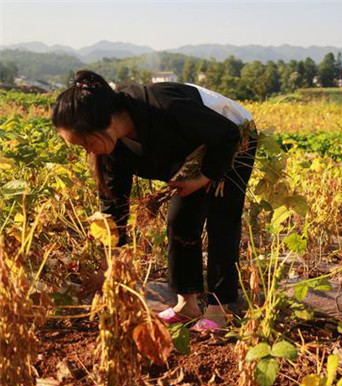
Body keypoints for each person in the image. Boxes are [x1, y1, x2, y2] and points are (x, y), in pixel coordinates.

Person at [51, 70, 257, 332]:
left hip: (233, 137)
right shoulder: (112, 151)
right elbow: (114, 206)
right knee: (180, 220)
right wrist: (109, 262)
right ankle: (187, 304)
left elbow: (227, 134)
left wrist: (204, 177)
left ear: (104, 121)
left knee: (221, 219)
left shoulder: (164, 106)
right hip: (191, 150)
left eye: (86, 142)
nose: (88, 151)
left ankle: (220, 307)